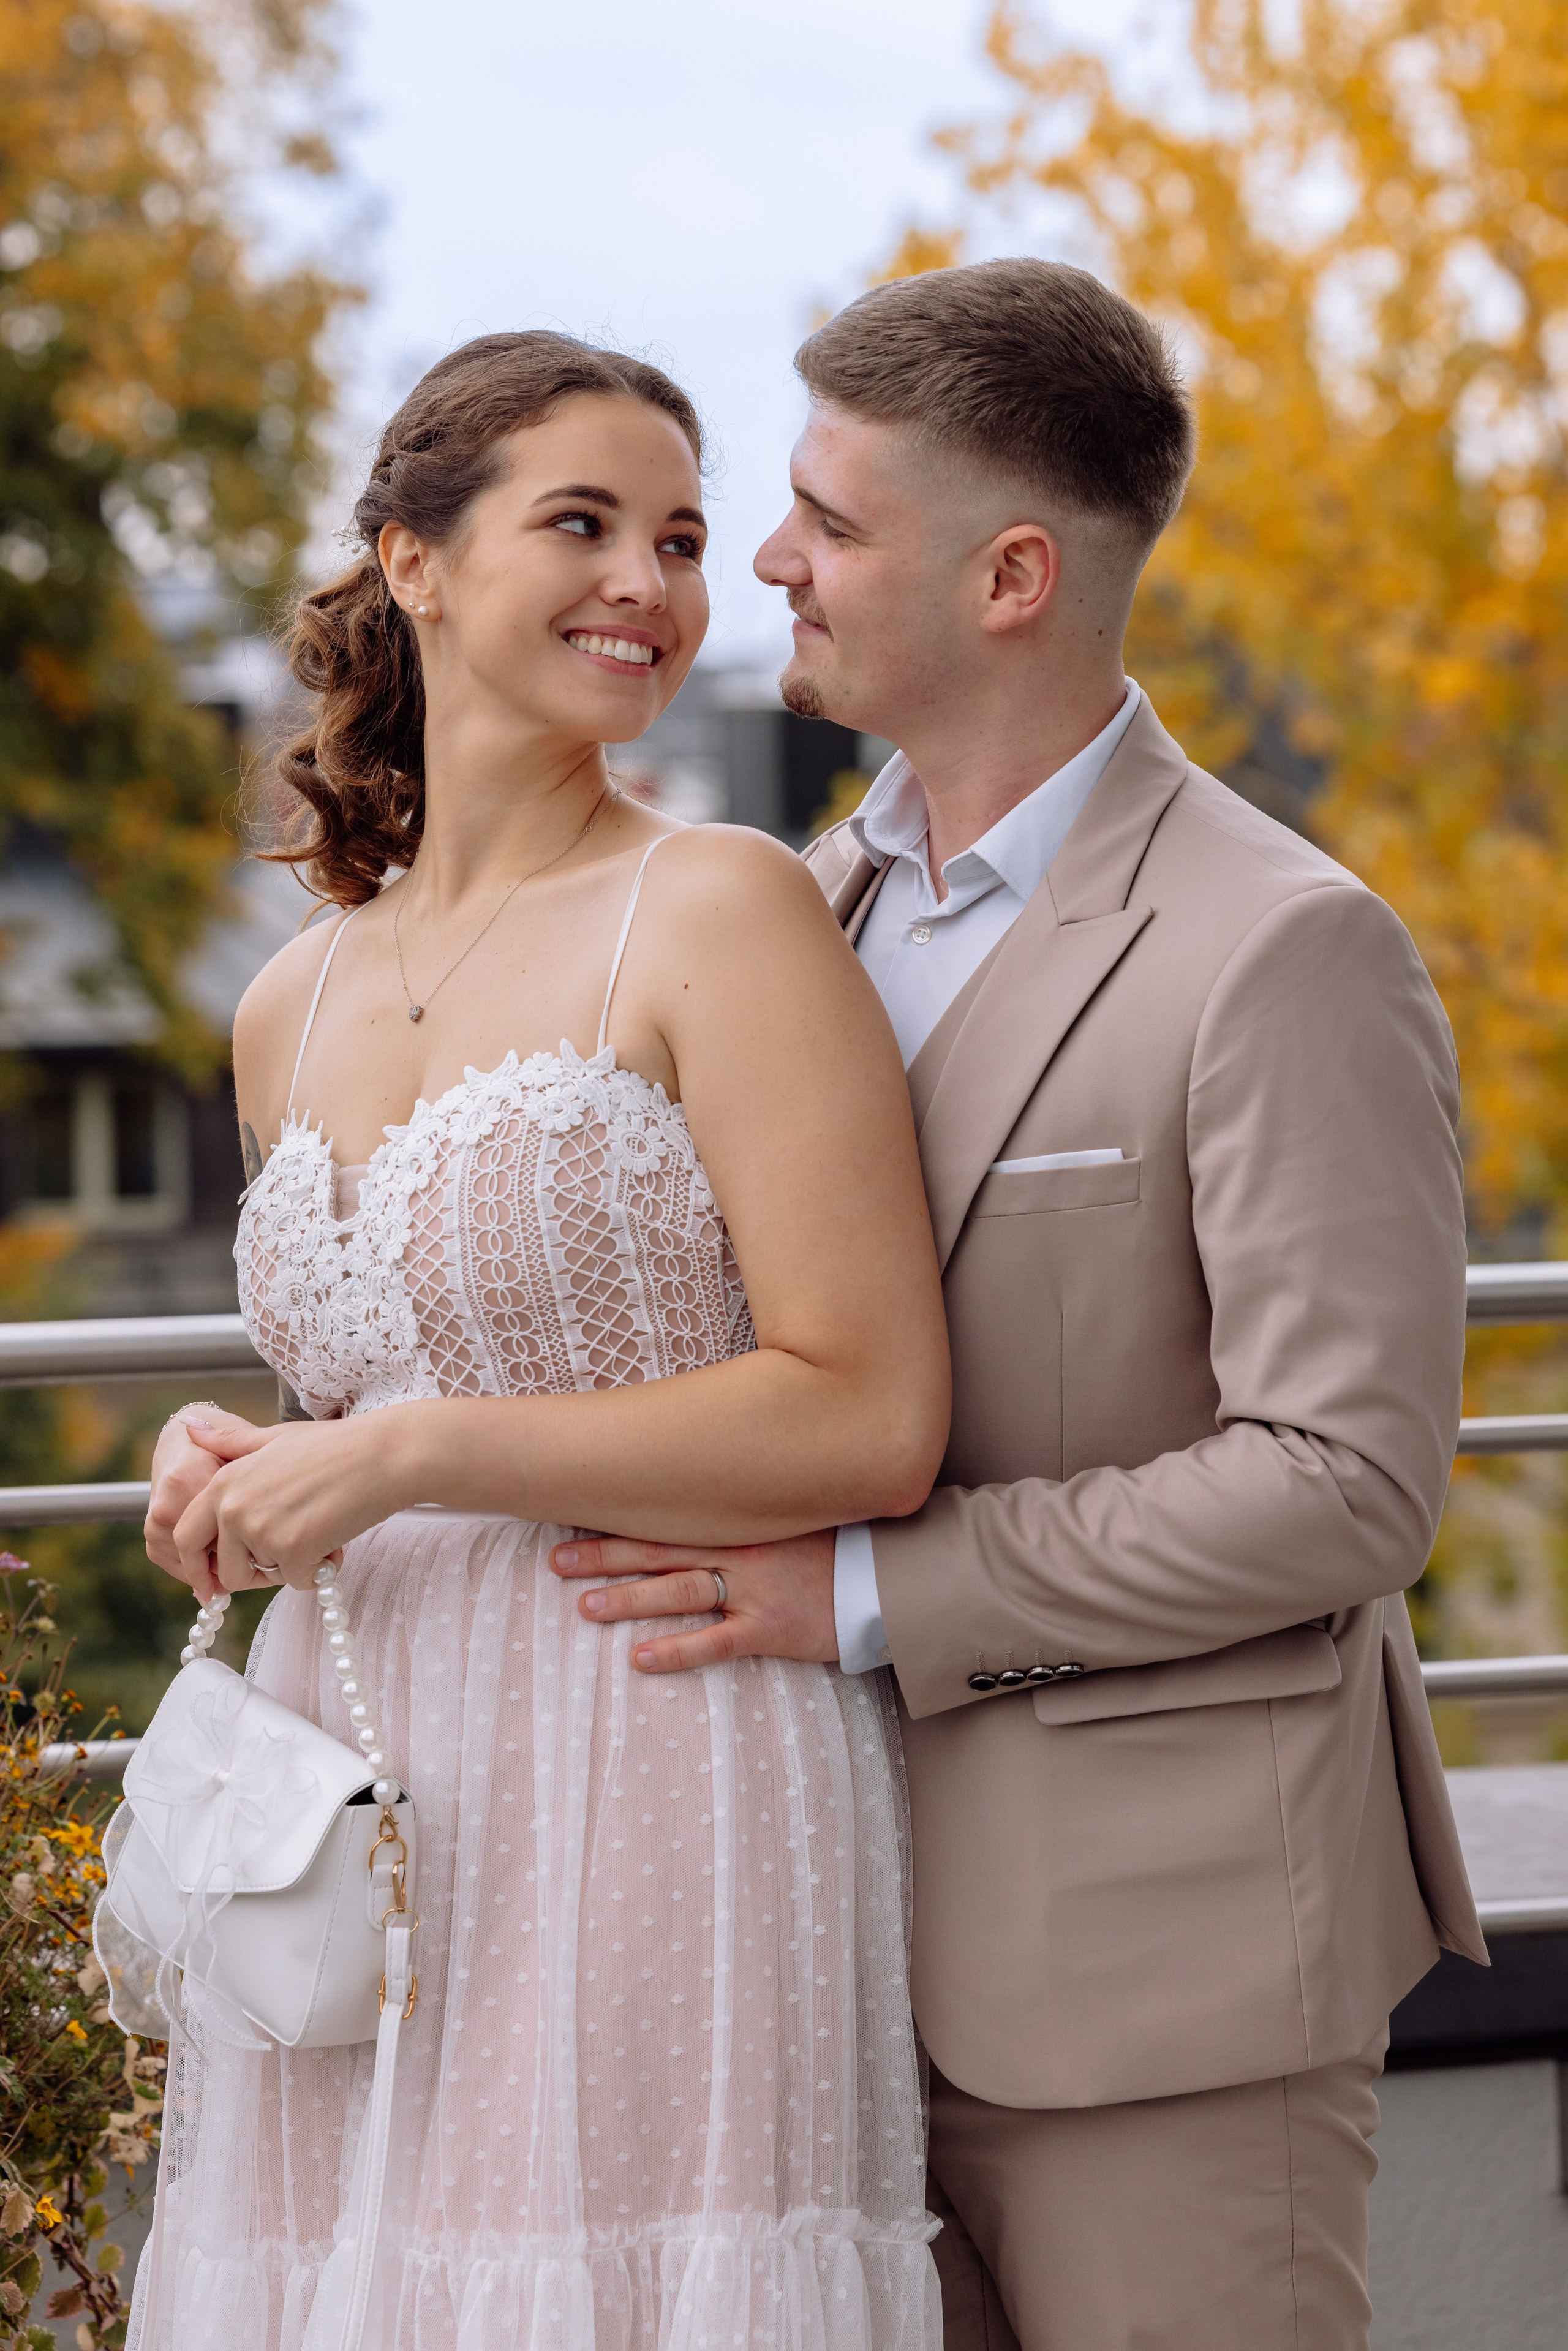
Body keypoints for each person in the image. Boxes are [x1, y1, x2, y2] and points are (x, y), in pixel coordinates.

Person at [548, 261, 1487, 2351]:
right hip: (815, 1961)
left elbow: (1348, 1486)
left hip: (1168, 1995)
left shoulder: (1285, 953)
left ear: (1015, 578)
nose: (766, 561)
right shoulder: (804, 902)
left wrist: (866, 1591)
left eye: (832, 522)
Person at [135, 330, 951, 2351]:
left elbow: (872, 1412)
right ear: (411, 560)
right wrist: (247, 1460)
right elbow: (378, 1378)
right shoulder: (289, 1003)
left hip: (657, 1736)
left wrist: (421, 1454)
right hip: (358, 1782)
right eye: (579, 523)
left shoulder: (717, 909)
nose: (653, 587)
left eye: (679, 538)